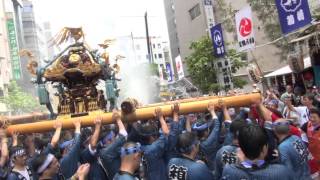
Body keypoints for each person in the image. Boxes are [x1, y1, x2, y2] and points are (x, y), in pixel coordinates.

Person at [221, 124, 294, 180]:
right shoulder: (281, 172)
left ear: (241, 149)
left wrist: (243, 163)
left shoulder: (229, 170)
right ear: (264, 149)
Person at [301, 108, 320, 178]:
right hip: (311, 158)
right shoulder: (307, 124)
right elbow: (300, 130)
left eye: (314, 117)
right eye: (310, 117)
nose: (311, 119)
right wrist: (304, 140)